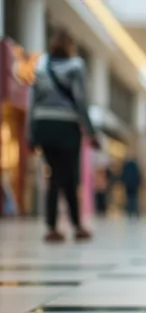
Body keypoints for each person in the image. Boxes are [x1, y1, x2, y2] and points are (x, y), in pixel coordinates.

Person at [27, 28, 99, 243]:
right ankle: (74, 226)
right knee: (68, 175)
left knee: (55, 176)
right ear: (70, 46)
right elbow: (80, 99)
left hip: (43, 126)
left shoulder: (40, 65)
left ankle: (55, 226)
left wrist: (31, 134)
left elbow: (33, 103)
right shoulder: (76, 65)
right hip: (66, 126)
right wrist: (91, 131)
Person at [120, 153, 142, 218]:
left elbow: (123, 175)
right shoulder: (135, 165)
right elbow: (138, 175)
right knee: (134, 198)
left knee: (129, 198)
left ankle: (130, 211)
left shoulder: (126, 165)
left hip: (128, 184)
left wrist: (124, 182)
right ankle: (134, 211)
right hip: (134, 185)